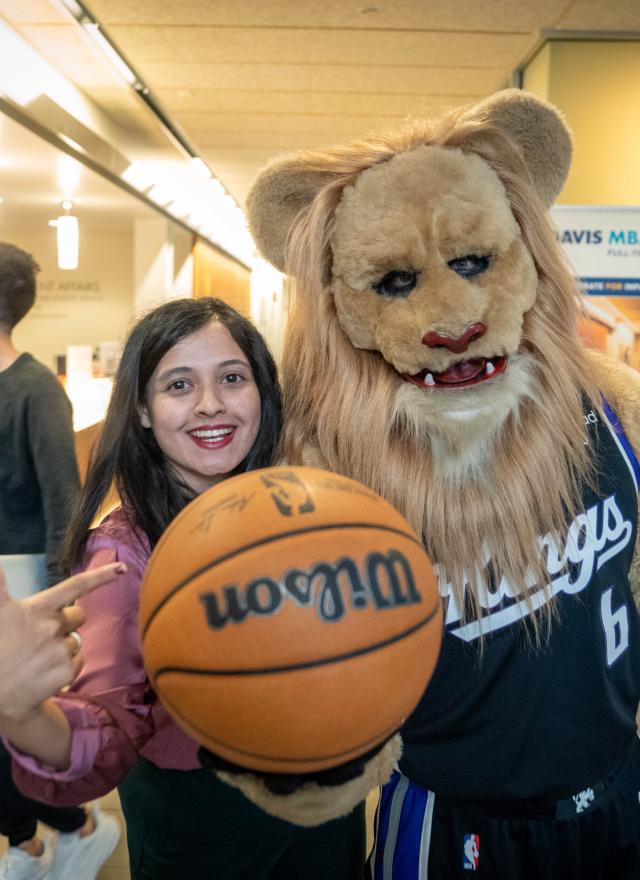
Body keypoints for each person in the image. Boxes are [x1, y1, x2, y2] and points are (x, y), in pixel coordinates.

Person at [0, 296, 366, 880]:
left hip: (326, 814)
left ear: (262, 393)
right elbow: (105, 728)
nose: (211, 405)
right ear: (142, 410)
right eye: (178, 385)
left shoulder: (310, 509)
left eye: (231, 378)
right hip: (201, 829)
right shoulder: (124, 553)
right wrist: (20, 708)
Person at [0, 242, 120, 880]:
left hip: (22, 593)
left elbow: (63, 505)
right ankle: (30, 842)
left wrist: (64, 612)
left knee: (9, 729)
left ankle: (69, 831)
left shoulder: (35, 390)